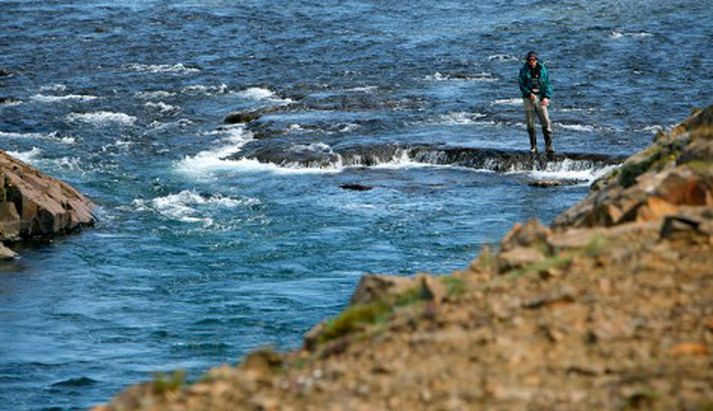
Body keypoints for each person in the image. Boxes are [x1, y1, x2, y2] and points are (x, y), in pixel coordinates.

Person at [518, 51, 554, 153]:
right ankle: (533, 146)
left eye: (533, 60)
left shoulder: (543, 69)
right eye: (529, 60)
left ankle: (549, 146)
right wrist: (529, 93)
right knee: (530, 123)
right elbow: (521, 84)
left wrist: (546, 97)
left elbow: (548, 84)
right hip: (528, 98)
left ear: (536, 60)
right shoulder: (523, 71)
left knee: (546, 121)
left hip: (540, 97)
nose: (531, 62)